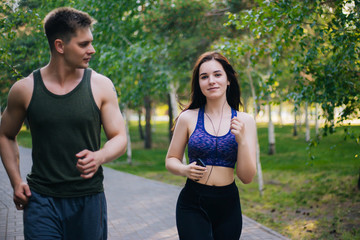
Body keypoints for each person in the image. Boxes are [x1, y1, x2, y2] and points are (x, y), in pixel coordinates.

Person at [0, 7, 127, 240]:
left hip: (89, 200)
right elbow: (5, 135)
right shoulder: (24, 90)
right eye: (84, 44)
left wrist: (100, 156)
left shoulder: (100, 85)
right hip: (41, 200)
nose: (92, 50)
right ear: (60, 46)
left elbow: (119, 136)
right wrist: (16, 181)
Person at [165, 51, 257, 240]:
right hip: (193, 203)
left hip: (228, 205)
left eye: (217, 74)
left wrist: (243, 141)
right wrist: (184, 169)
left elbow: (247, 177)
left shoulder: (245, 121)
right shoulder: (187, 118)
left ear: (228, 79)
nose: (211, 81)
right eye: (204, 77)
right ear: (199, 83)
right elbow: (171, 159)